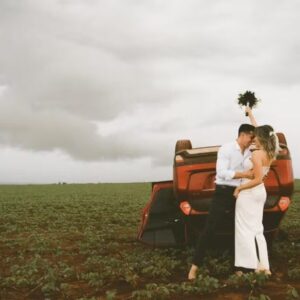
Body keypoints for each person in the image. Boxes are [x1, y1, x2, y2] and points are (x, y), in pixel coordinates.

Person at [188, 122, 255, 280]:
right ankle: (194, 267)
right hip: (223, 192)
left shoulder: (249, 152)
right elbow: (222, 172)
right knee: (209, 229)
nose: (252, 140)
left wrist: (250, 112)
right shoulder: (226, 149)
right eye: (251, 137)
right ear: (243, 134)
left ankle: (237, 267)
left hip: (240, 194)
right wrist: (244, 175)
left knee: (238, 231)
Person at [233, 107, 280, 275]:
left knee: (243, 229)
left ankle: (247, 266)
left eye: (255, 136)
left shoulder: (256, 154)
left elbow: (257, 178)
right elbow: (261, 178)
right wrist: (251, 114)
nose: (253, 138)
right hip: (260, 193)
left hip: (250, 192)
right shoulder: (270, 152)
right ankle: (263, 266)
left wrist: (240, 187)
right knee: (257, 229)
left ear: (260, 138)